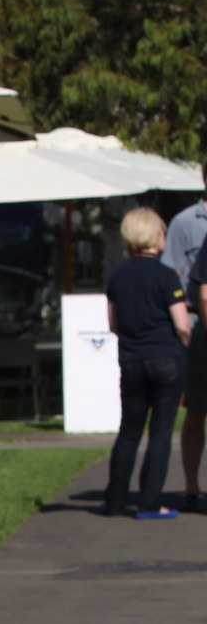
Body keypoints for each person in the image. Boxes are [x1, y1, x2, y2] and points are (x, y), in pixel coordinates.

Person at [104, 207, 191, 518]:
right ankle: (150, 502)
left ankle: (114, 500)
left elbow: (113, 323)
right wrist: (187, 346)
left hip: (131, 361)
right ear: (156, 236)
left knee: (129, 431)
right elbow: (181, 323)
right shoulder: (168, 276)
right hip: (166, 358)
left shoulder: (117, 275)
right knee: (160, 431)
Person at [161, 167, 207, 511]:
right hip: (197, 324)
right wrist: (182, 326)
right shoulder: (185, 223)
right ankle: (191, 487)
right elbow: (172, 277)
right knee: (196, 409)